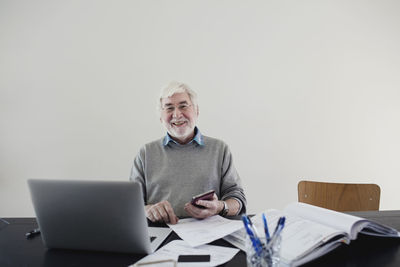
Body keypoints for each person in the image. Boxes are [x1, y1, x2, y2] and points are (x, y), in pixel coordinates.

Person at [130, 81, 246, 224]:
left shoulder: (219, 149)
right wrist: (147, 210)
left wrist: (220, 207)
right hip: (161, 232)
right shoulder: (146, 153)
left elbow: (237, 198)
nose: (177, 114)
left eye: (183, 106)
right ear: (161, 117)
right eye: (169, 108)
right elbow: (131, 205)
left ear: (196, 111)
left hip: (209, 234)